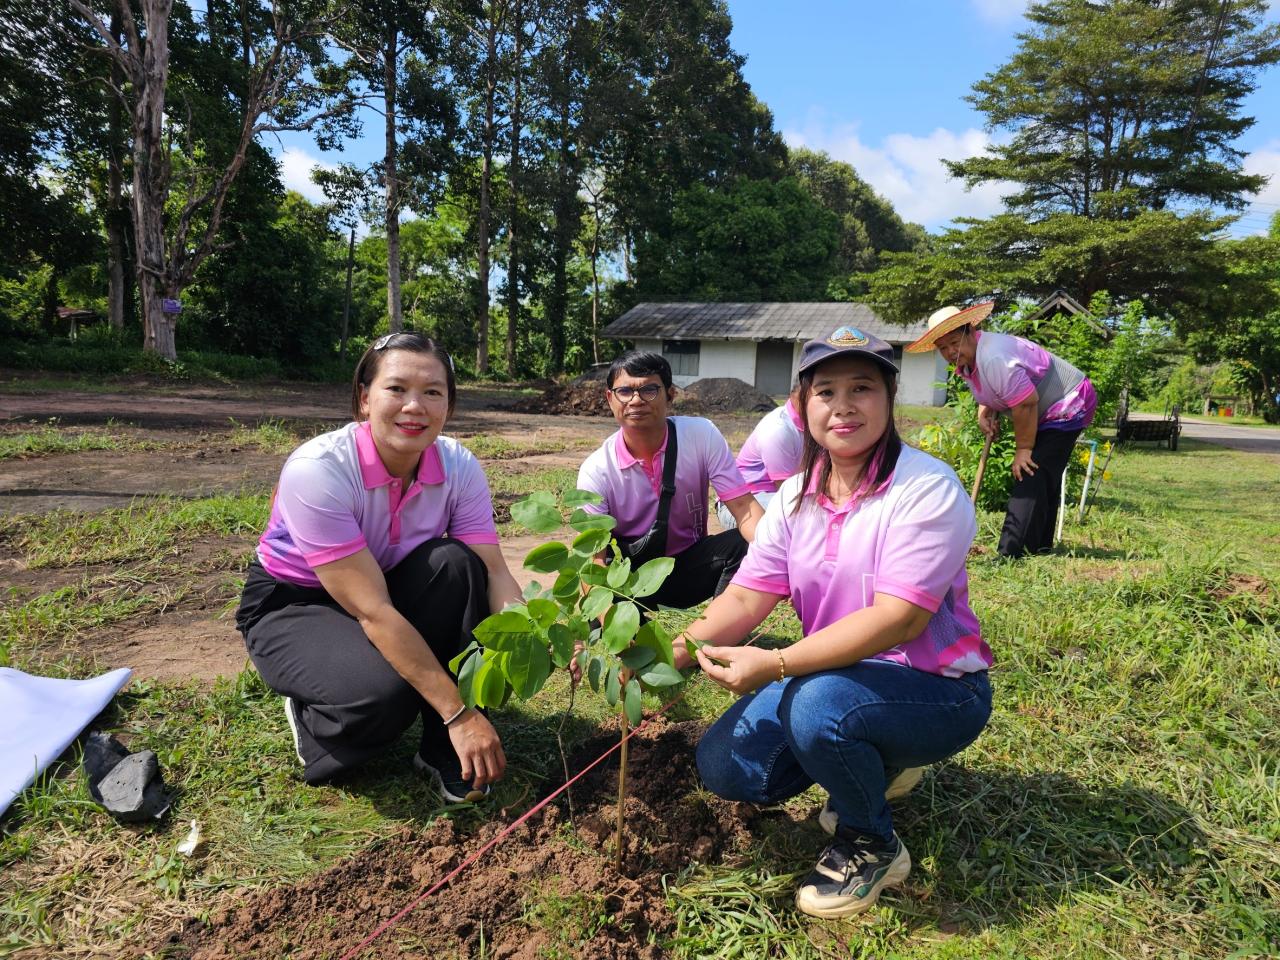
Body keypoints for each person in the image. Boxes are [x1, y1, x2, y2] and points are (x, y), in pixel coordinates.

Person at [674, 326, 992, 918]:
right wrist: (673, 656)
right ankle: (879, 760)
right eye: (825, 391)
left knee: (816, 705)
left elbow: (899, 620)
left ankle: (871, 842)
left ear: (890, 399)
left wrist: (775, 664)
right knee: (727, 766)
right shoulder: (794, 497)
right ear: (801, 406)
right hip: (839, 677)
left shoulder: (926, 488)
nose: (843, 406)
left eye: (862, 388)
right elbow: (746, 598)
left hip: (938, 692)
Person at [235, 332, 522, 801]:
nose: (415, 406)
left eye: (433, 392)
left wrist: (532, 634)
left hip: (385, 584)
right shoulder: (319, 468)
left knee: (456, 564)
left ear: (449, 405)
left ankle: (438, 749)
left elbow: (493, 570)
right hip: (295, 600)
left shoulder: (458, 465)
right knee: (383, 695)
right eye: (397, 389)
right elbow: (374, 611)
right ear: (364, 398)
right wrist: (461, 714)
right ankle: (315, 722)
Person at [906, 302, 1097, 557]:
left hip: (1069, 402)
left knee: (1030, 469)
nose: (951, 351)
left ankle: (1011, 553)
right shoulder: (970, 360)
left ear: (971, 331)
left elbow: (1026, 404)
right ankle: (1038, 548)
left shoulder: (995, 356)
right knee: (1042, 473)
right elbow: (989, 390)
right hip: (1046, 408)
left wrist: (1024, 449)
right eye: (943, 348)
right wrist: (983, 412)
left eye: (955, 342)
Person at [576, 351, 765, 610]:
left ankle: (719, 630)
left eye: (649, 390)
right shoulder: (596, 470)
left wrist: (780, 557)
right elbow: (592, 561)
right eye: (624, 391)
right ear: (610, 398)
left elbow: (744, 509)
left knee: (746, 543)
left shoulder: (701, 436)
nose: (636, 400)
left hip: (687, 570)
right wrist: (609, 624)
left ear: (670, 394)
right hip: (627, 584)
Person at [715, 384, 804, 530]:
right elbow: (786, 493)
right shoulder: (778, 429)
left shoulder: (816, 425)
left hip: (776, 496)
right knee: (802, 519)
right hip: (743, 502)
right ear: (796, 395)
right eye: (823, 393)